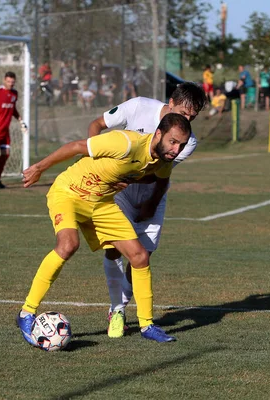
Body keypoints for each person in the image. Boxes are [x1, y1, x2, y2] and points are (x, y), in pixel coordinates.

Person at [16, 113, 193, 346]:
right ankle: (26, 313)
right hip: (69, 192)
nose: (176, 149)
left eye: (181, 144)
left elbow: (157, 179)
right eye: (173, 141)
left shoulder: (163, 161)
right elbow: (77, 146)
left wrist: (130, 181)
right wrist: (39, 168)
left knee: (139, 257)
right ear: (158, 134)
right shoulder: (126, 143)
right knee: (68, 245)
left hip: (101, 204)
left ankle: (147, 325)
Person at [87, 82, 207, 338]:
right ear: (171, 102)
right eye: (184, 113)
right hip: (119, 190)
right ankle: (117, 310)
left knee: (141, 258)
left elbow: (157, 175)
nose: (186, 120)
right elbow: (97, 125)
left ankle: (123, 308)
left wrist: (150, 204)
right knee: (112, 248)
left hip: (152, 192)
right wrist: (101, 166)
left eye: (192, 117)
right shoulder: (139, 106)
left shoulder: (189, 141)